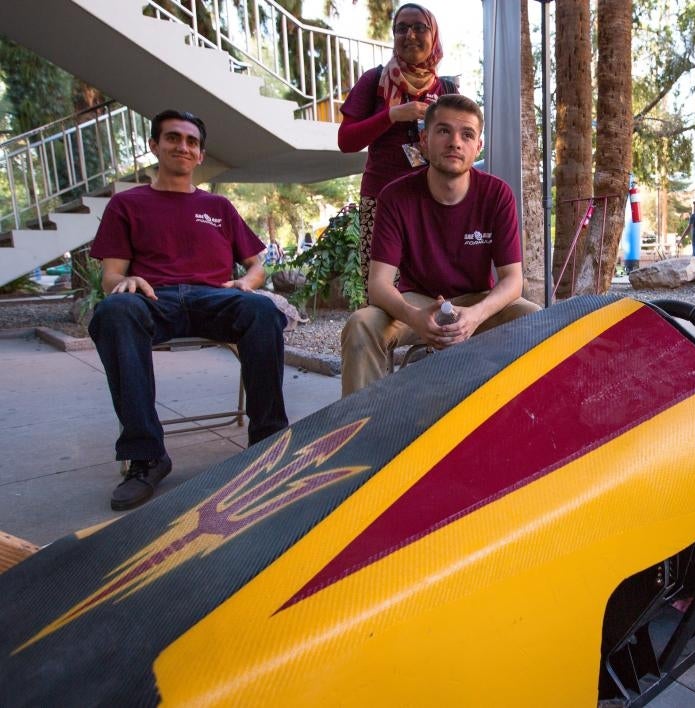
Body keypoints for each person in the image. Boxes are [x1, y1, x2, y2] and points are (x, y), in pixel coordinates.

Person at [88, 109, 289, 511]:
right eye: (173, 138)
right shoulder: (127, 204)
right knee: (113, 312)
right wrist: (123, 285)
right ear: (154, 146)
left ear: (200, 155)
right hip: (153, 298)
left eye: (192, 142)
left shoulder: (218, 206)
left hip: (214, 297)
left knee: (263, 312)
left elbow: (257, 265)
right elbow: (111, 275)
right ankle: (146, 456)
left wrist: (246, 284)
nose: (183, 146)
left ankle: (268, 442)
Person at [340, 94, 540, 395]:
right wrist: (414, 317)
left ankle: (521, 423)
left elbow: (513, 280)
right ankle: (361, 429)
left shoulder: (497, 194)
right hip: (417, 302)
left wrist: (475, 315)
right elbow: (378, 285)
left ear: (478, 147)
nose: (455, 142)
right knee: (361, 324)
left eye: (467, 134)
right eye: (443, 130)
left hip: (477, 301)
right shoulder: (395, 196)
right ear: (424, 139)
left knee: (533, 318)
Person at [337, 3, 458, 289]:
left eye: (419, 27)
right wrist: (392, 115)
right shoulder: (374, 80)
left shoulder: (447, 90)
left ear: (434, 35)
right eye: (401, 28)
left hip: (433, 201)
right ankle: (381, 336)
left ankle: (427, 335)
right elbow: (346, 140)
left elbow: (459, 145)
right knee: (380, 288)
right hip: (382, 200)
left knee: (433, 286)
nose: (410, 34)